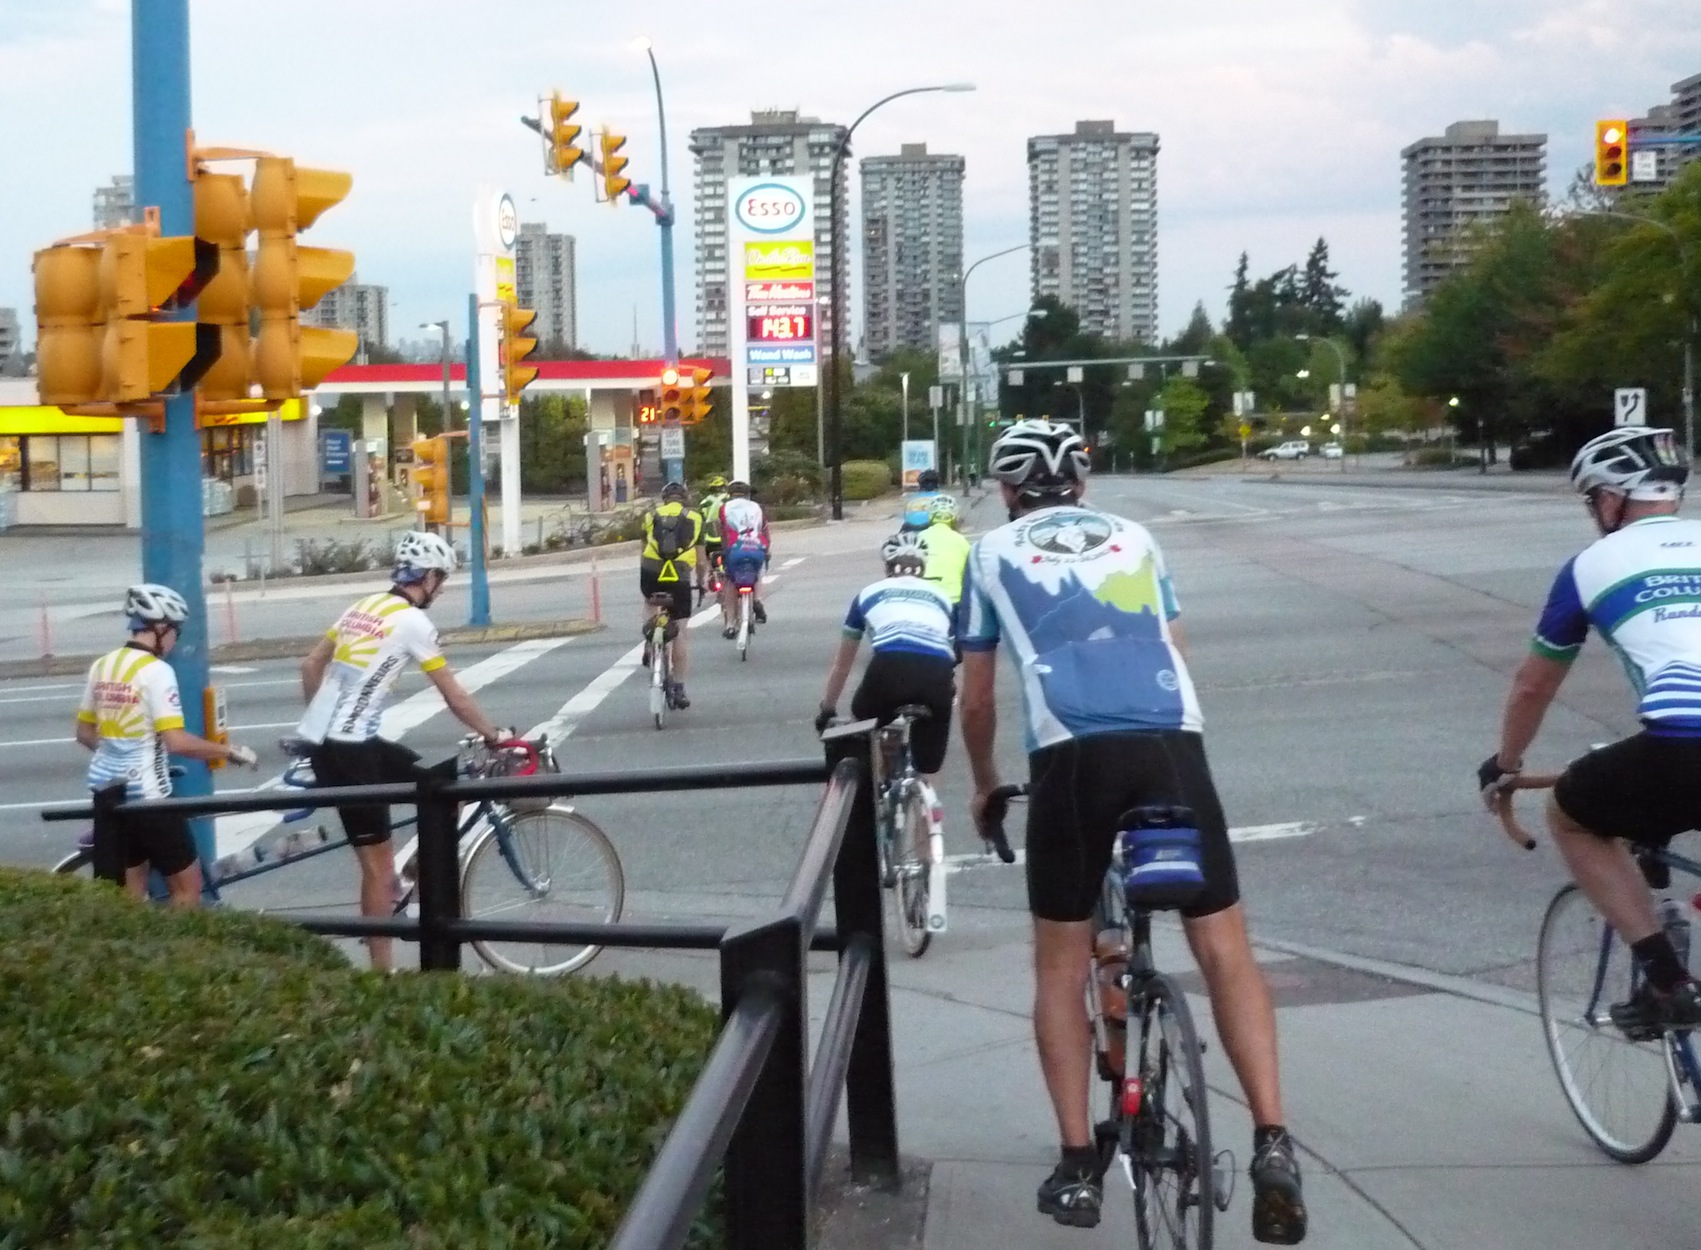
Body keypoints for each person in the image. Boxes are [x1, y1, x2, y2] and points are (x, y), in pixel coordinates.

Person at [959, 419, 1306, 1243]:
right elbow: (1173, 645)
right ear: (1080, 484)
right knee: (1224, 947)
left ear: (1007, 492)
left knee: (1059, 964)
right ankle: (1272, 1139)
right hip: (1169, 745)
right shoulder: (1137, 538)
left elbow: (975, 697)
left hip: (1071, 756)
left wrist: (982, 783)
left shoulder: (989, 553)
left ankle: (1078, 1163)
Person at [1482, 426, 1701, 1033]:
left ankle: (1669, 983)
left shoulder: (1590, 567)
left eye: (1591, 501)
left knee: (1573, 814)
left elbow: (1534, 685)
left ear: (1610, 499)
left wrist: (1506, 763)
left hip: (1686, 741)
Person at [296, 532, 503, 971]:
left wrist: (318, 722)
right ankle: (381, 974)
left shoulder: (363, 606)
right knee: (376, 868)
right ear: (427, 577)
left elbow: (310, 664)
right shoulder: (413, 623)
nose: (441, 589)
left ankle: (412, 879)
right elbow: (453, 695)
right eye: (441, 579)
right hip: (351, 754)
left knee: (444, 790)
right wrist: (492, 733)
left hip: (345, 744)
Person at [75, 584, 258, 906]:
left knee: (130, 894)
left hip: (109, 796)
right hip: (149, 797)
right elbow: (177, 741)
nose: (176, 639)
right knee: (187, 889)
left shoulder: (102, 665)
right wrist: (229, 751)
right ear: (160, 628)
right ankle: (178, 941)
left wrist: (117, 753)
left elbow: (84, 733)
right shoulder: (157, 671)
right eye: (176, 630)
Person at [814, 532, 957, 787]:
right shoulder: (943, 597)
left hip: (888, 668)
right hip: (936, 673)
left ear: (888, 566)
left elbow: (842, 666)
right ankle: (928, 799)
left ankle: (876, 790)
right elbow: (954, 653)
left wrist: (827, 710)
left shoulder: (868, 594)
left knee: (860, 733)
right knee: (929, 765)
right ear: (923, 567)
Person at [640, 481, 706, 706]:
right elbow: (701, 560)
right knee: (680, 632)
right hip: (679, 575)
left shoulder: (651, 515)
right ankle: (679, 688)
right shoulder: (695, 517)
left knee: (650, 602)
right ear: (685, 498)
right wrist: (701, 581)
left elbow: (643, 550)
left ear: (664, 498)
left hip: (651, 571)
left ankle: (649, 643)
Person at [719, 479, 770, 637]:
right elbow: (765, 530)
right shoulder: (757, 508)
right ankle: (757, 600)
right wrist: (767, 549)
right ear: (747, 494)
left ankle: (730, 624)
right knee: (758, 571)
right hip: (756, 548)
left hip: (735, 549)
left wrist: (724, 550)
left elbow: (723, 532)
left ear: (730, 494)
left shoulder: (724, 508)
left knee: (729, 581)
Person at [919, 491, 971, 634]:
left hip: (924, 599)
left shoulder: (919, 538)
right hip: (953, 600)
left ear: (930, 515)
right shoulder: (961, 541)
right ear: (954, 516)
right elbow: (970, 573)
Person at [699, 474, 731, 590]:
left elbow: (701, 519)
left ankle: (712, 573)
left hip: (709, 539)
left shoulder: (704, 502)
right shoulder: (729, 500)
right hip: (725, 538)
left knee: (708, 555)